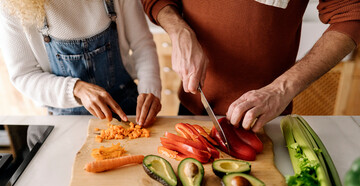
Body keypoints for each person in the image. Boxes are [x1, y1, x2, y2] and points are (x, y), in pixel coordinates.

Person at [142, 0, 360, 132]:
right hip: (194, 107)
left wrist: (280, 89)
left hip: (265, 116)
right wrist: (178, 30)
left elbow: (351, 16)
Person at [0, 0, 162, 127]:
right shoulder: (13, 6)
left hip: (128, 109)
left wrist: (150, 89)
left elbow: (143, 45)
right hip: (66, 119)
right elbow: (24, 75)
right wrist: (76, 89)